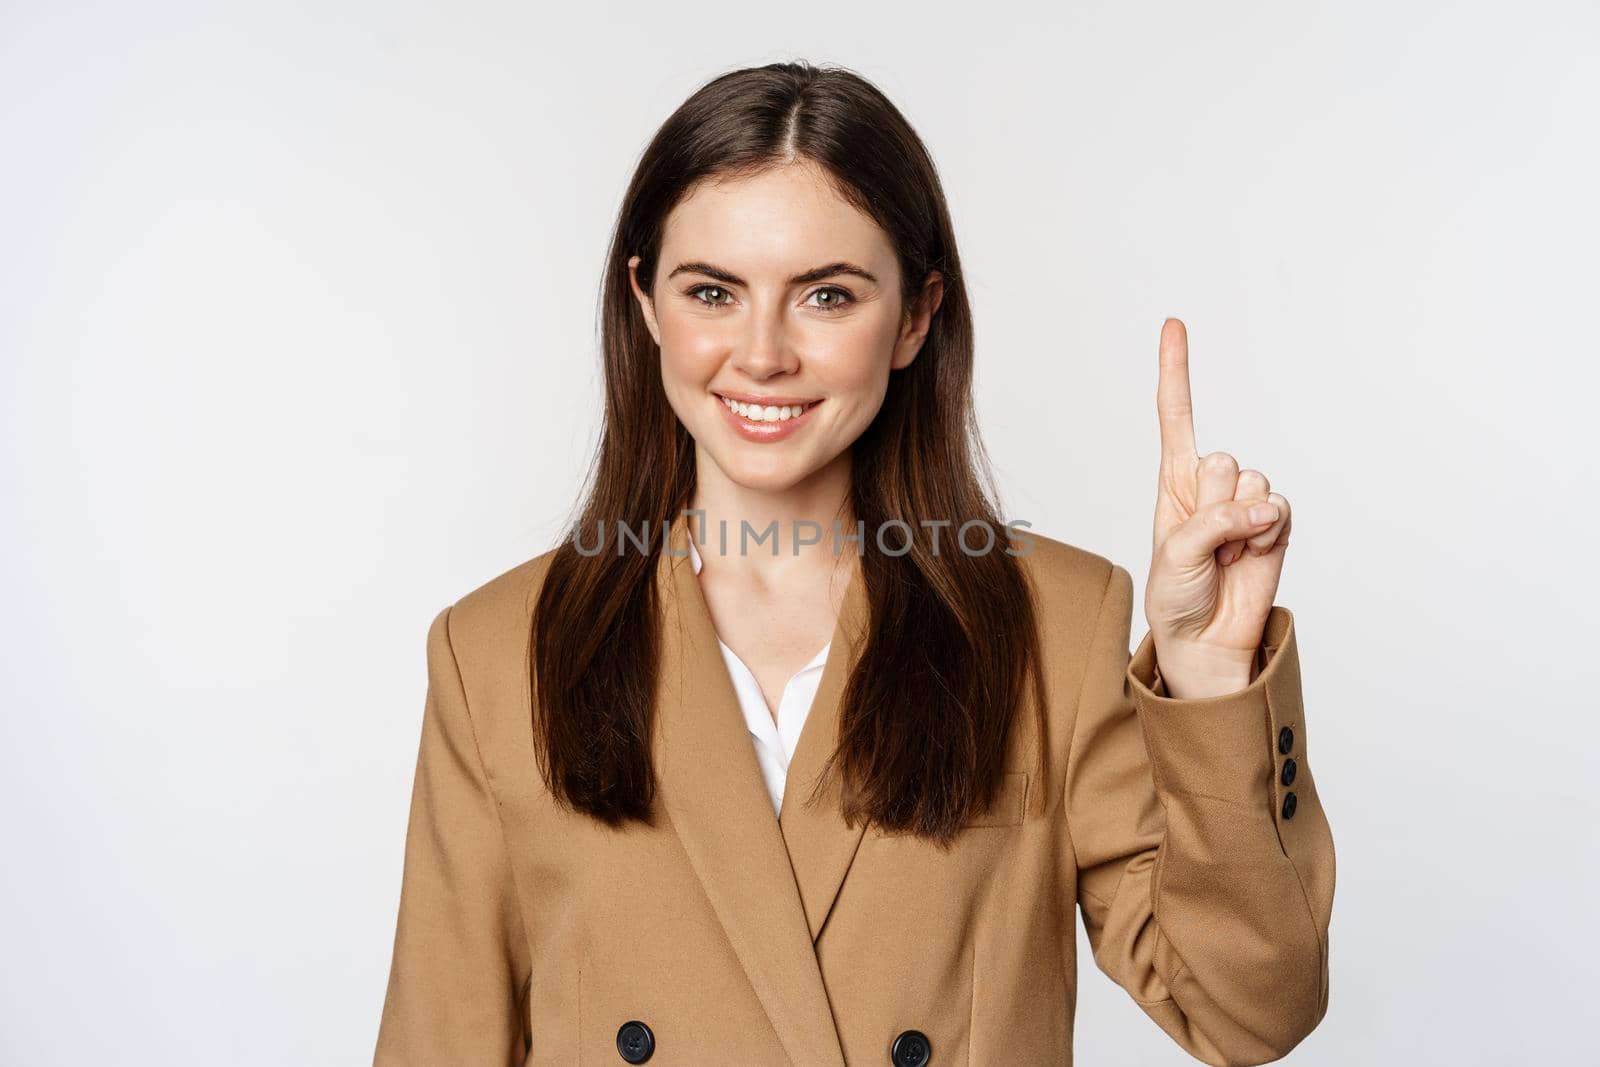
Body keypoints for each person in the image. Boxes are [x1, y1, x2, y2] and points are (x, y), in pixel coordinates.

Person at [373, 60, 1334, 1067]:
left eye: (825, 295)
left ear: (915, 316)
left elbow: (1246, 1013)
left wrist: (1211, 677)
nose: (760, 353)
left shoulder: (1053, 621)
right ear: (647, 304)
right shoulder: (497, 652)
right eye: (712, 291)